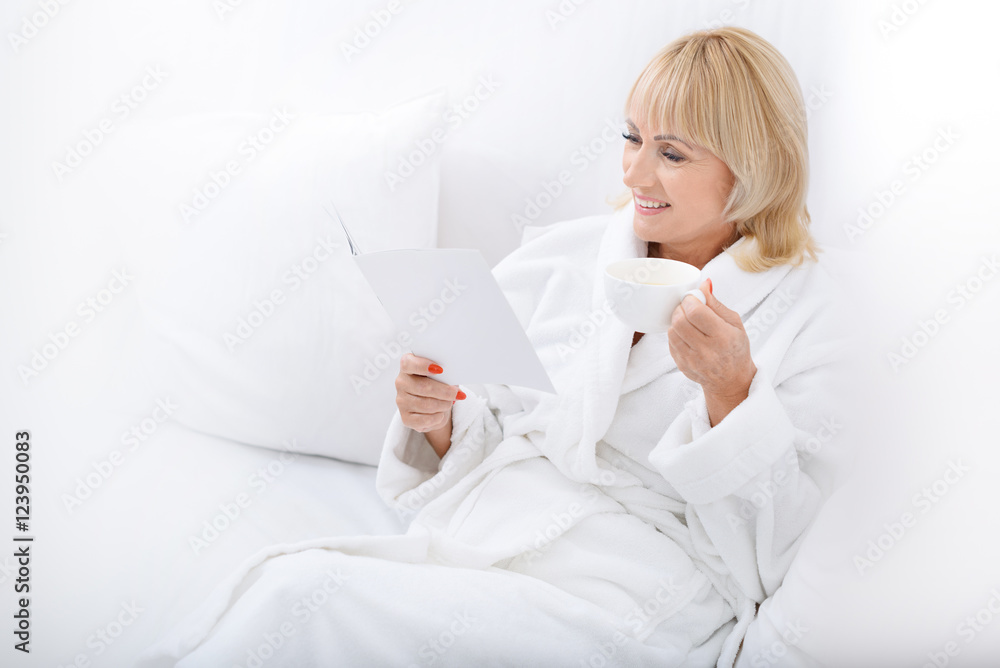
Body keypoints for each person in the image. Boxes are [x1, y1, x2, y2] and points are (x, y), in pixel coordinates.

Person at [139, 26, 852, 668]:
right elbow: (493, 422)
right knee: (287, 597)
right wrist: (439, 421)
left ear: (750, 168)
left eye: (671, 153)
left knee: (302, 597)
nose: (634, 174)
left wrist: (731, 394)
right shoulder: (564, 259)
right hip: (487, 549)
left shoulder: (808, 317)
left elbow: (778, 557)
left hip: (629, 603)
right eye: (632, 138)